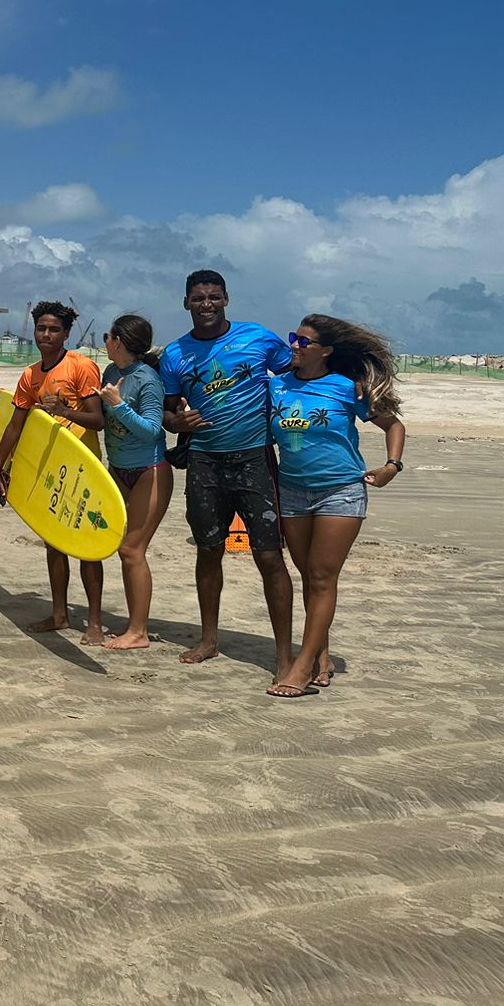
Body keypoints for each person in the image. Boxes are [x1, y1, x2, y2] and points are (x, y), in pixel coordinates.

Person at [158, 270, 295, 672]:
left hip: (254, 459)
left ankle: (284, 654)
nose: (206, 304)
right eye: (198, 298)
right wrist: (175, 423)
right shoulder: (174, 354)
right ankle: (209, 639)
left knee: (269, 556)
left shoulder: (258, 338)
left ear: (226, 299)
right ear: (185, 303)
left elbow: (297, 376)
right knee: (208, 551)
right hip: (204, 462)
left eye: (214, 297)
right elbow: (169, 410)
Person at [265, 315, 406, 698]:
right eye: (294, 338)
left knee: (323, 577)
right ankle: (322, 657)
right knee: (309, 577)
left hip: (340, 491)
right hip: (293, 492)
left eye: (305, 342)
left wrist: (392, 465)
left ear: (326, 351)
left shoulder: (347, 389)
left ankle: (302, 666)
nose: (295, 345)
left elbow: (394, 425)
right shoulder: (276, 387)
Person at [0, 302, 108, 644]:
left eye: (54, 329)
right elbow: (16, 423)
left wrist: (65, 411)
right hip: (49, 464)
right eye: (41, 328)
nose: (46, 335)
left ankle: (95, 622)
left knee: (87, 543)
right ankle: (59, 613)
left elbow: (98, 420)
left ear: (66, 334)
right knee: (54, 542)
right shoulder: (30, 375)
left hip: (83, 464)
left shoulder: (82, 366)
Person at [97, 315, 172, 651]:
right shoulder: (111, 373)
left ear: (120, 341)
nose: (105, 341)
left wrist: (118, 404)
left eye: (108, 336)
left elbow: (154, 430)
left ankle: (138, 632)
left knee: (131, 550)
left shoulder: (147, 379)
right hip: (118, 469)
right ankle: (133, 624)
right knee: (121, 549)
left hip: (149, 471)